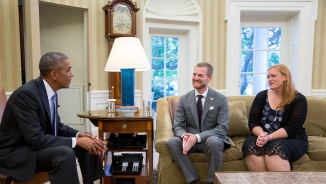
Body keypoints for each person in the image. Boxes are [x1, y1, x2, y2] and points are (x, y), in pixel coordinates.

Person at [0, 52, 107, 184]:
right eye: (68, 70)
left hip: (34, 147)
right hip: (17, 154)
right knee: (64, 153)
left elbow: (57, 127)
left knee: (87, 141)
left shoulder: (51, 92)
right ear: (54, 74)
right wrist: (77, 141)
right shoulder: (26, 95)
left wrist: (80, 135)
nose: (72, 74)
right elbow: (36, 140)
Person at [167, 62, 230, 184]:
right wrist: (184, 136)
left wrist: (198, 137)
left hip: (210, 141)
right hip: (190, 141)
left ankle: (214, 181)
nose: (196, 78)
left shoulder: (221, 99)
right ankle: (194, 180)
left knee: (213, 141)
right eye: (194, 74)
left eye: (200, 75)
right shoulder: (184, 99)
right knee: (172, 142)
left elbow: (222, 128)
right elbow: (177, 126)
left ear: (209, 78)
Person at [242, 64, 308, 171]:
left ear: (285, 77)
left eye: (273, 76)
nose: (269, 79)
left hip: (291, 138)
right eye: (268, 77)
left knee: (275, 148)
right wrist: (262, 135)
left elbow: (292, 128)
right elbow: (253, 123)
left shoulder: (298, 99)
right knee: (251, 146)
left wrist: (270, 137)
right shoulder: (261, 96)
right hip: (261, 135)